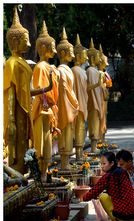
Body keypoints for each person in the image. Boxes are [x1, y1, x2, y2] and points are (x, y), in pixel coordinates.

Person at [4, 7, 33, 174]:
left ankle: (23, 173)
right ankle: (17, 174)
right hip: (16, 111)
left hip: (25, 110)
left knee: (24, 143)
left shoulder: (21, 61)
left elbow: (26, 91)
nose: (28, 44)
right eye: (25, 39)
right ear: (15, 41)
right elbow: (10, 91)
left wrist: (45, 89)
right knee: (17, 146)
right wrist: (11, 118)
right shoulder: (11, 63)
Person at [83, 150, 134, 221]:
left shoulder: (108, 176)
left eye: (104, 163)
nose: (101, 166)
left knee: (103, 196)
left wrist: (83, 197)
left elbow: (94, 192)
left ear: (112, 163)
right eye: (101, 164)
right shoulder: (124, 171)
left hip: (123, 216)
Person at [32, 21, 60, 182]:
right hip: (41, 110)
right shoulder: (41, 67)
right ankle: (40, 177)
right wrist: (48, 88)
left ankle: (44, 175)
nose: (54, 51)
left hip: (48, 110)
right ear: (42, 48)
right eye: (52, 47)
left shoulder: (49, 67)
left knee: (48, 146)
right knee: (41, 148)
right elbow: (39, 90)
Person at [57, 27, 79, 170]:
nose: (72, 55)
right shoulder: (61, 70)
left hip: (71, 106)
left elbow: (71, 90)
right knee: (65, 135)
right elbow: (64, 91)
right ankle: (64, 164)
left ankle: (67, 162)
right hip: (65, 107)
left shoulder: (69, 70)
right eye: (70, 52)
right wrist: (73, 103)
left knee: (69, 134)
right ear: (63, 53)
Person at [71, 34, 88, 160]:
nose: (86, 58)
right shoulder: (75, 70)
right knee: (78, 128)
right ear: (77, 56)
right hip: (78, 104)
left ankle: (80, 152)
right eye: (84, 55)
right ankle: (78, 154)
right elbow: (75, 89)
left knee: (82, 128)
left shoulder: (82, 71)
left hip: (84, 102)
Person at [86, 38, 102, 152]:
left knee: (96, 125)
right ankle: (93, 147)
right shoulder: (90, 71)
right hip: (93, 103)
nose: (99, 59)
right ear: (92, 58)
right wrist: (97, 84)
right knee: (93, 125)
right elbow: (88, 89)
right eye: (97, 57)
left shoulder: (95, 71)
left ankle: (95, 146)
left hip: (98, 102)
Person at [97, 44, 112, 142]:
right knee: (100, 119)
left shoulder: (105, 73)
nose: (107, 63)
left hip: (104, 99)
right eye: (105, 61)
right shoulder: (99, 73)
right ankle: (99, 140)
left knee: (104, 119)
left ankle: (103, 140)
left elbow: (109, 85)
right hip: (100, 99)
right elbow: (100, 86)